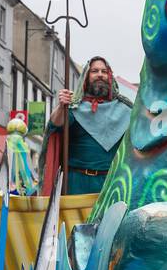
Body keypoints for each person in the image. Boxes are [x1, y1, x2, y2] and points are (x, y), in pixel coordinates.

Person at [44, 57, 133, 196]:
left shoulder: (126, 110)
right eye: (94, 71)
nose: (100, 74)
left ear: (110, 77)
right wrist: (62, 106)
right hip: (76, 183)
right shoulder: (74, 107)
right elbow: (56, 125)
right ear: (86, 76)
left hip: (111, 184)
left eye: (104, 71)